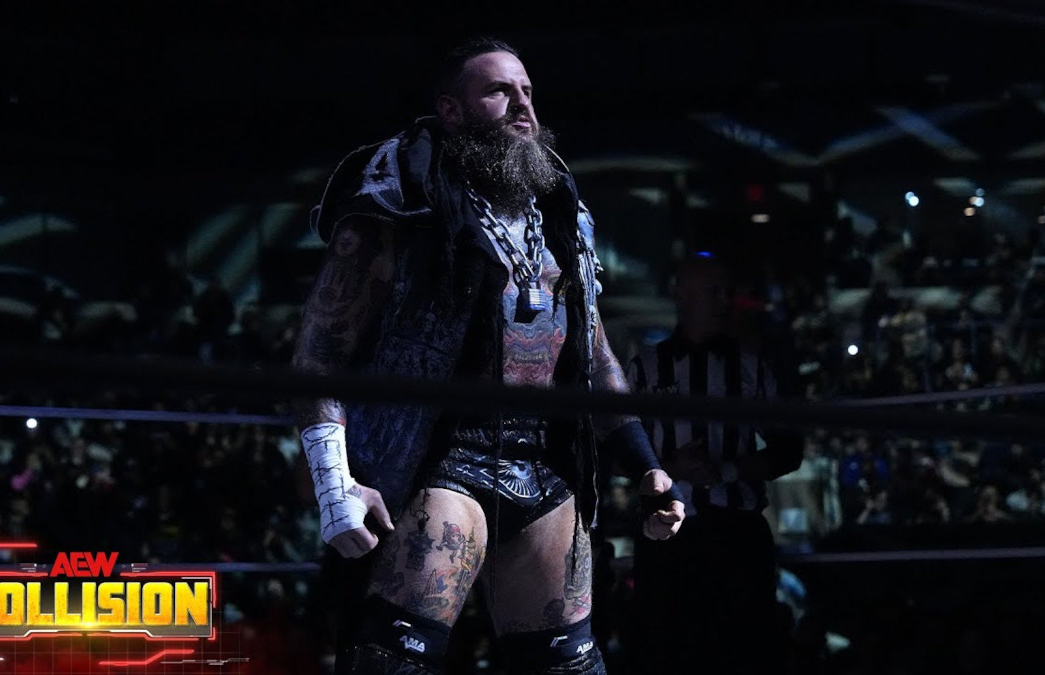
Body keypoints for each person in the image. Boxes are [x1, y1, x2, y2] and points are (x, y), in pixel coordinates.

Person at [290, 37, 685, 675]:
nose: (522, 105)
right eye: (500, 91)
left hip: (543, 462)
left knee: (568, 667)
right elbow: (321, 347)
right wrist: (334, 481)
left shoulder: (558, 212)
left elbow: (593, 353)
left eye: (527, 90)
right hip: (441, 459)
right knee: (394, 664)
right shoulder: (399, 197)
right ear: (451, 110)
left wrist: (645, 466)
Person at [625, 253, 804, 675]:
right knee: (670, 653)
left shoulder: (751, 367)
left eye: (727, 291)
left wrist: (725, 471)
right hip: (668, 534)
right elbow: (614, 452)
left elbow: (788, 450)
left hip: (736, 535)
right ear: (681, 294)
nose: (726, 301)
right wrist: (670, 468)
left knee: (742, 653)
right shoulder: (645, 368)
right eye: (714, 291)